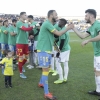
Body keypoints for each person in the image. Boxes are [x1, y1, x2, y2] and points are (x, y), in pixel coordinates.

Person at [37, 10, 74, 99]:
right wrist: (68, 28)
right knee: (46, 71)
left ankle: (41, 83)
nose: (57, 16)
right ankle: (46, 93)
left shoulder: (50, 25)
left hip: (47, 50)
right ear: (50, 15)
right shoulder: (47, 23)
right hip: (43, 50)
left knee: (47, 68)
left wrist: (56, 46)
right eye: (56, 15)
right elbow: (59, 33)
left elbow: (54, 37)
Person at [73, 9, 100, 96]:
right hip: (97, 54)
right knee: (96, 71)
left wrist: (89, 40)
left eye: (86, 16)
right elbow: (82, 36)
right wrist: (73, 28)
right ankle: (98, 90)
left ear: (91, 16)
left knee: (98, 72)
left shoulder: (98, 24)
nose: (85, 17)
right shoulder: (91, 27)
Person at [16, 12, 34, 79]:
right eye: (25, 15)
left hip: (26, 43)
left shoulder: (26, 23)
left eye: (26, 15)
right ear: (21, 16)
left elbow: (27, 31)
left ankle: (21, 66)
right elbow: (25, 29)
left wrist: (29, 36)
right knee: (21, 59)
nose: (26, 16)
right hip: (20, 43)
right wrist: (33, 26)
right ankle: (21, 73)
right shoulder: (19, 23)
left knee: (26, 58)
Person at [54, 18, 70, 84]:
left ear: (63, 23)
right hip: (67, 48)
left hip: (63, 50)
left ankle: (61, 78)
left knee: (58, 63)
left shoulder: (63, 31)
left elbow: (62, 41)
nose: (58, 23)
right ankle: (65, 78)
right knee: (66, 63)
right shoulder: (64, 30)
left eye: (59, 22)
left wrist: (59, 51)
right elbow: (60, 39)